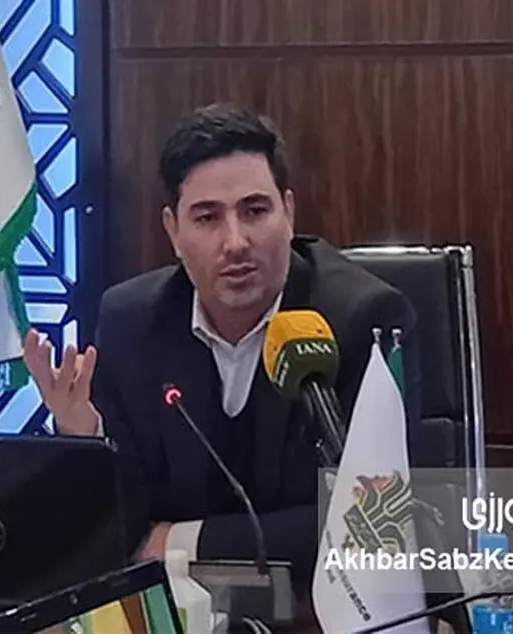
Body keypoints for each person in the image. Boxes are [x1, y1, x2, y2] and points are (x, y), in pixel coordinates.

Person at [22, 103, 422, 597]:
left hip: (319, 611)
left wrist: (182, 540)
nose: (235, 242)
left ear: (288, 213)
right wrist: (85, 439)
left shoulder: (361, 322)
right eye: (208, 217)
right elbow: (115, 533)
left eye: (255, 211)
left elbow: (378, 518)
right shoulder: (131, 323)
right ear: (173, 231)